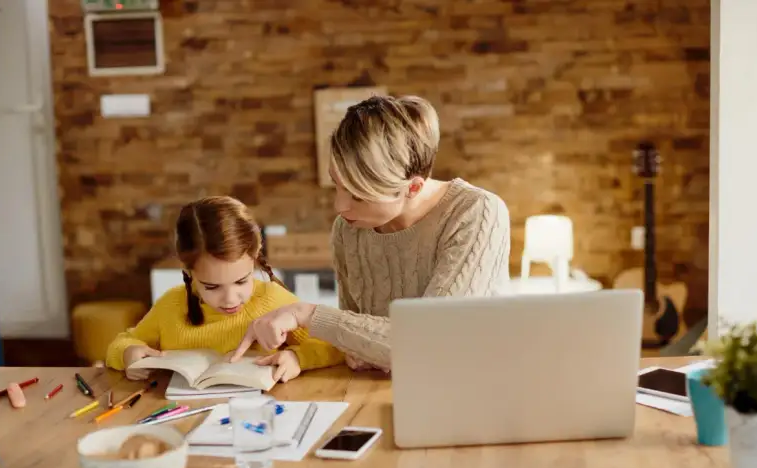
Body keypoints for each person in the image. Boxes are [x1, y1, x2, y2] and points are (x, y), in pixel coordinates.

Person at [230, 95, 510, 371]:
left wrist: (307, 314)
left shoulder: (476, 213)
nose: (340, 206)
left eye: (359, 195)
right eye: (337, 184)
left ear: (413, 188)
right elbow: (355, 347)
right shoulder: (349, 229)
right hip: (386, 390)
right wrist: (301, 357)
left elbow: (432, 345)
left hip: (474, 392)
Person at [105, 196, 344, 382]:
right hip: (185, 415)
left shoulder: (273, 300)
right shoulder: (170, 306)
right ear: (189, 272)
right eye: (211, 287)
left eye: (241, 281)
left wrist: (297, 358)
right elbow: (122, 342)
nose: (230, 299)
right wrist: (128, 353)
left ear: (254, 259)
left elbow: (335, 345)